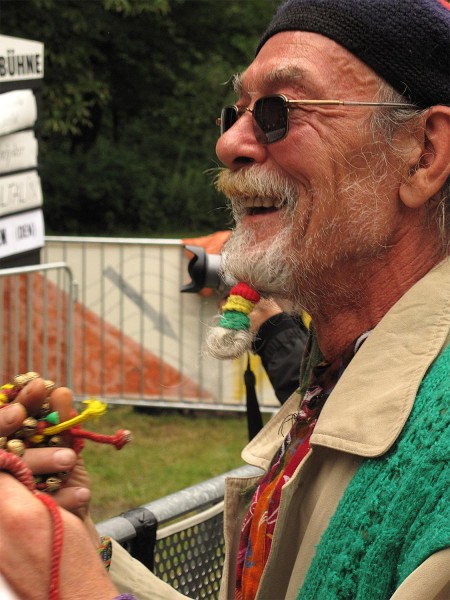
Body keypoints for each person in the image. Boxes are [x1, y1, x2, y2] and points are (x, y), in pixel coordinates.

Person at [0, 0, 449, 598]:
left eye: (277, 111)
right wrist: (71, 542)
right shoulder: (337, 374)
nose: (231, 143)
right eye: (234, 112)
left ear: (424, 153)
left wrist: (71, 585)